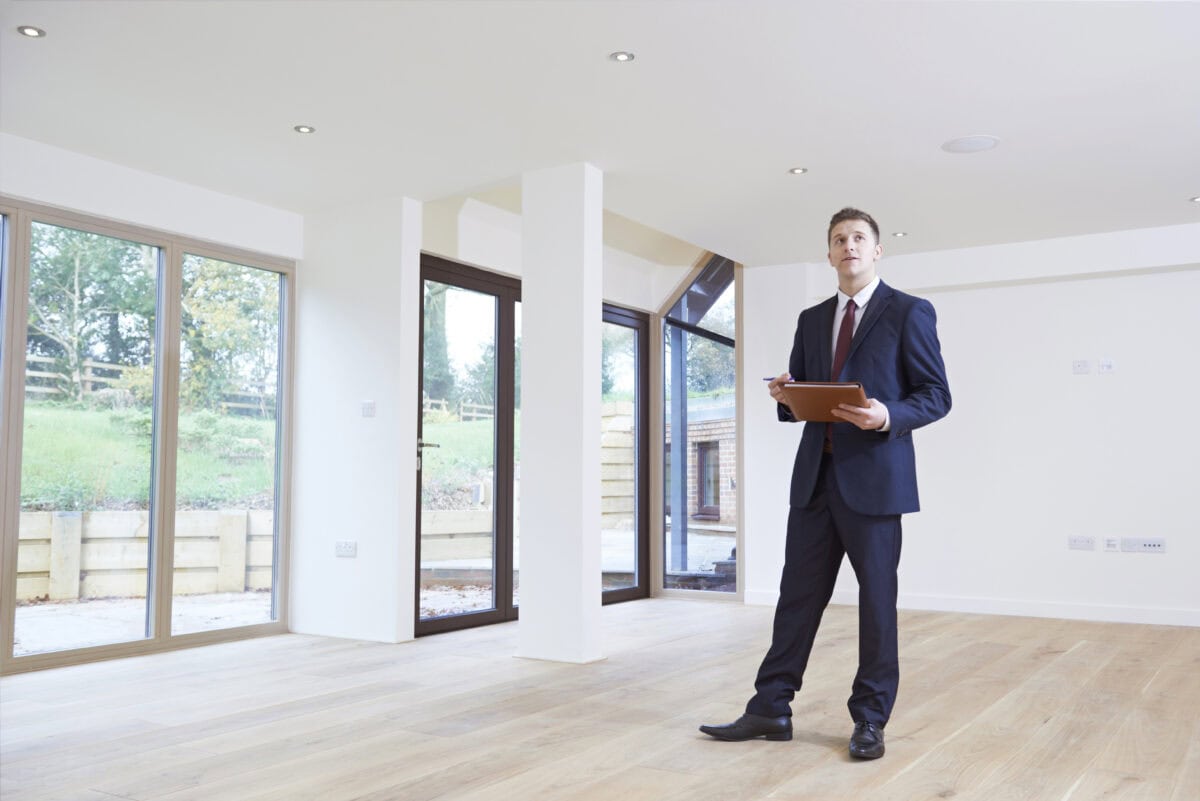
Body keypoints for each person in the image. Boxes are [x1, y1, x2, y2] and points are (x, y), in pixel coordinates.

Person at [699, 207, 951, 759]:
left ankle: (869, 719)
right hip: (816, 481)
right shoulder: (812, 319)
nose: (849, 246)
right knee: (797, 598)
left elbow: (936, 395)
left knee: (876, 603)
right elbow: (803, 397)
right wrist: (785, 398)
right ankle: (770, 708)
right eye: (839, 239)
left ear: (877, 249)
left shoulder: (910, 312)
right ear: (829, 252)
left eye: (859, 237)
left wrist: (886, 416)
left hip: (877, 483)